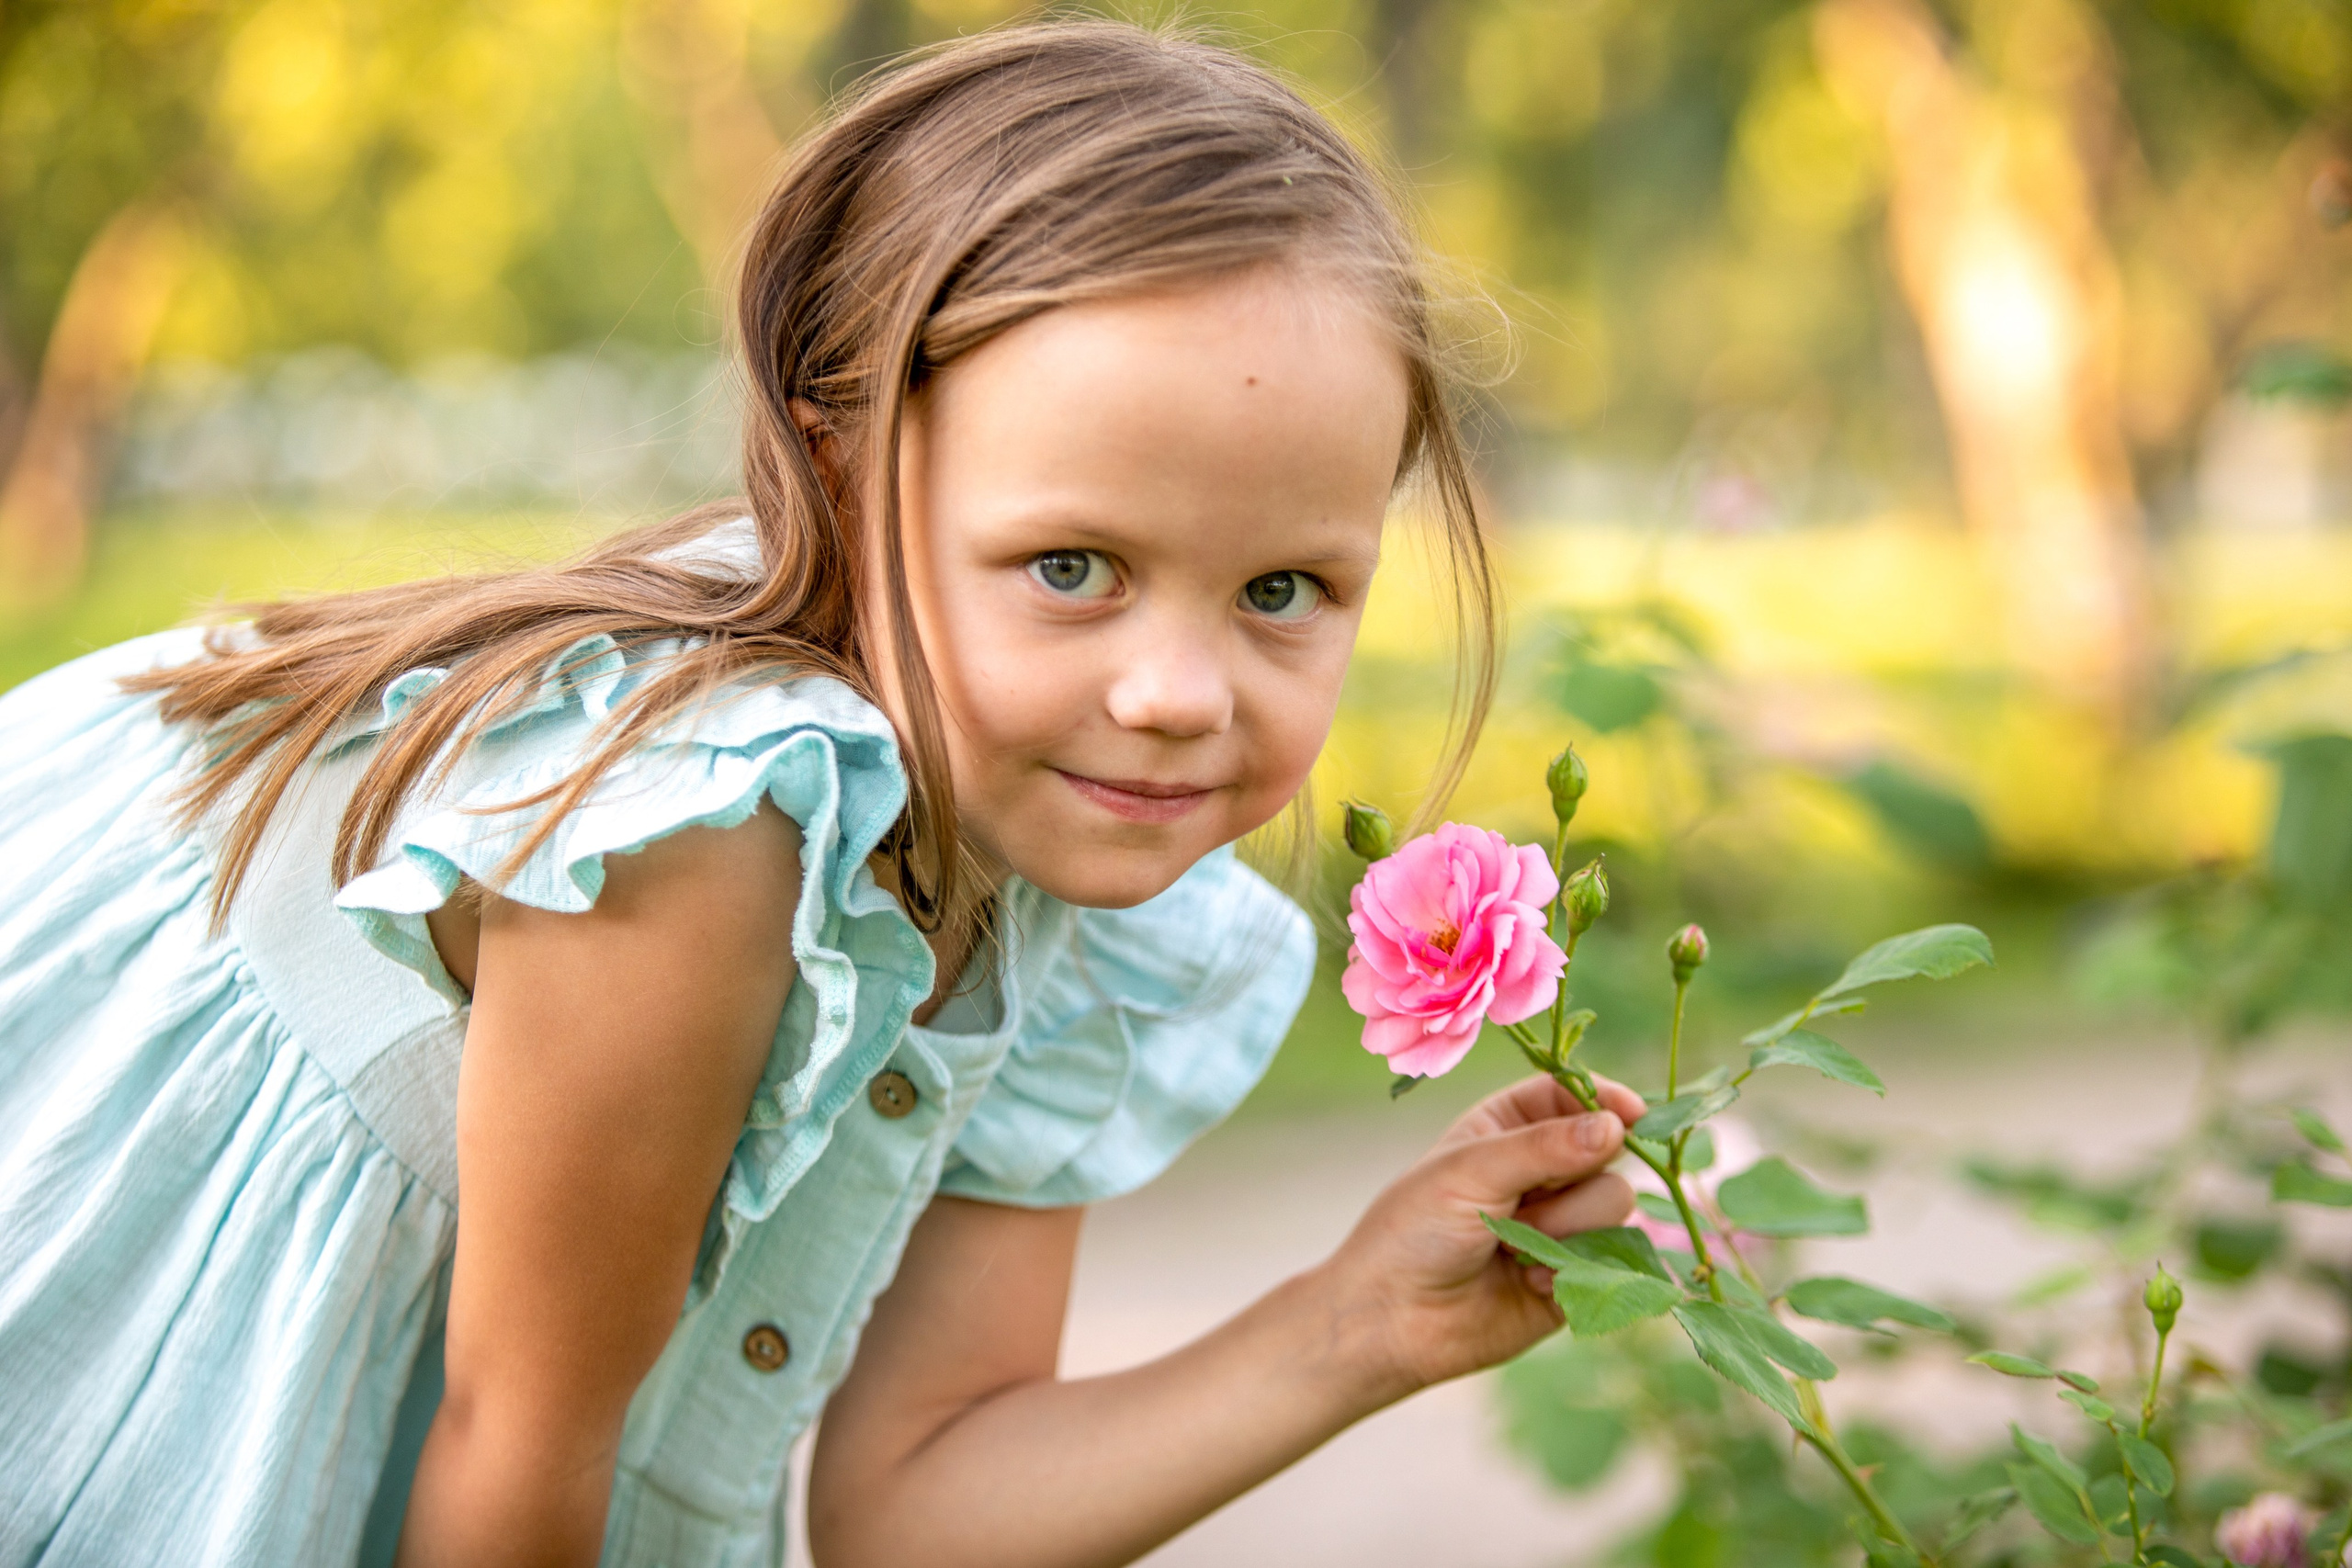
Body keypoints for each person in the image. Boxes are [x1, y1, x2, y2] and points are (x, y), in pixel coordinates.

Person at [0, 21, 1640, 1568]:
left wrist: (1357, 1324)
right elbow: (517, 1456)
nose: (1179, 696)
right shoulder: (697, 836)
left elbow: (908, 1509)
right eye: (1072, 568)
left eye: (1283, 591)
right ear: (841, 471)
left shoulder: (1043, 850)